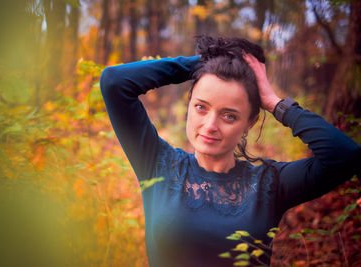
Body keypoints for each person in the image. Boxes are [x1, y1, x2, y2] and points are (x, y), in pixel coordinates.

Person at [99, 36, 361, 267]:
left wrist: (274, 102)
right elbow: (114, 82)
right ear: (189, 105)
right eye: (201, 107)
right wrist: (209, 62)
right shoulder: (157, 163)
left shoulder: (270, 184)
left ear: (249, 123)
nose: (210, 126)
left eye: (229, 115)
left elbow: (345, 155)